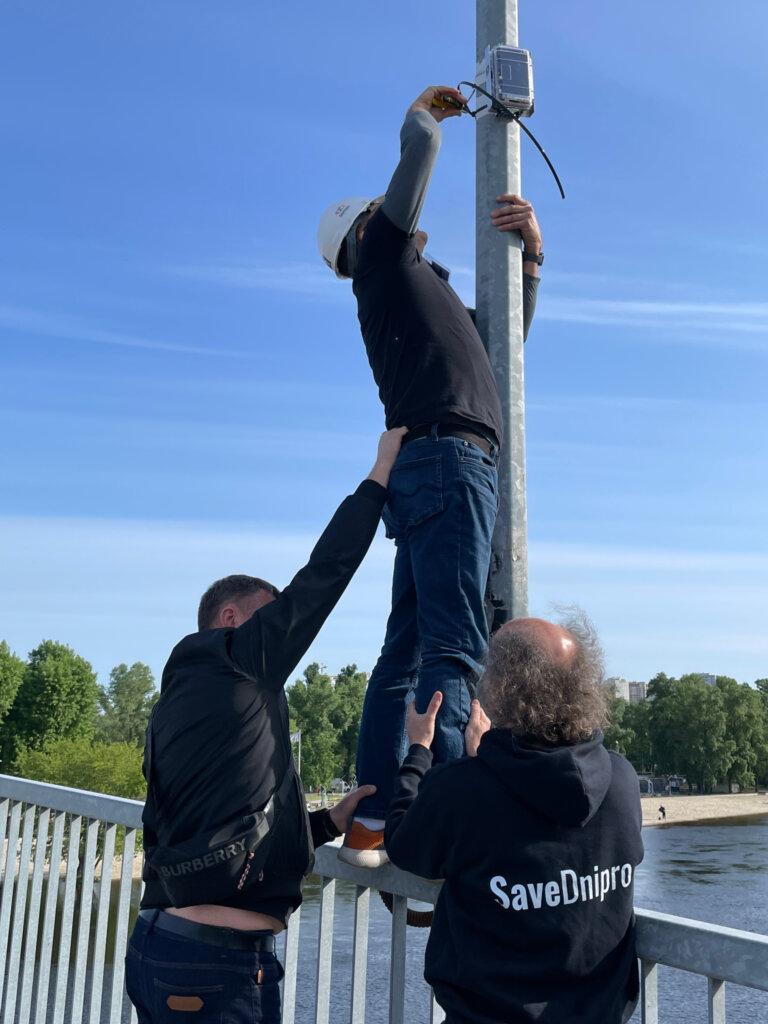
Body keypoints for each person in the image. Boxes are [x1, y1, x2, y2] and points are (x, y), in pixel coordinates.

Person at [317, 85, 543, 866]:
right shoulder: (381, 260)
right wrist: (421, 115)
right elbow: (421, 152)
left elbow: (503, 347)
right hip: (450, 462)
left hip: (430, 466)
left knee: (406, 649)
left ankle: (376, 820)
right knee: (454, 643)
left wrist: (531, 258)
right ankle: (443, 824)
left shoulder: (420, 293)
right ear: (364, 230)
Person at [125, 428, 405, 1024]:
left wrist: (326, 823)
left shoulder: (185, 700)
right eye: (268, 616)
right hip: (214, 969)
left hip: (165, 948)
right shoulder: (235, 659)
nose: (280, 631)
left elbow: (222, 822)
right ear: (230, 618)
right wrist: (379, 476)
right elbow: (324, 575)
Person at [385, 614, 644, 1024]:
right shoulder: (621, 780)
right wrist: (488, 760)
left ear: (501, 687)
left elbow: (404, 846)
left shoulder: (462, 789)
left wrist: (419, 751)